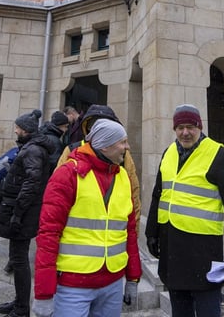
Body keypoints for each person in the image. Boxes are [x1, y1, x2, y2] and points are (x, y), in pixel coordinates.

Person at [145, 104, 224, 317]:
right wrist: (152, 232)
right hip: (172, 246)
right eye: (180, 128)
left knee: (207, 308)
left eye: (190, 127)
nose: (185, 132)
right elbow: (158, 195)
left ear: (199, 127)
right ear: (174, 129)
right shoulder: (168, 153)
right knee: (180, 308)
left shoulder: (218, 155)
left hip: (202, 248)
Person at [33, 119, 142, 317]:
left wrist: (133, 277)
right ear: (106, 145)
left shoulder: (123, 177)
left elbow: (130, 231)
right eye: (123, 142)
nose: (127, 147)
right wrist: (44, 293)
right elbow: (48, 234)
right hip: (73, 287)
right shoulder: (67, 175)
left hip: (113, 283)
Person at [0, 109, 55, 317]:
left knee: (19, 260)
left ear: (26, 131)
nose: (16, 131)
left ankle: (22, 308)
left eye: (18, 128)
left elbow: (32, 183)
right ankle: (20, 301)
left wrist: (17, 212)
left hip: (24, 211)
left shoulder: (33, 151)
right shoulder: (31, 148)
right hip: (23, 210)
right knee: (17, 258)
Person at [56, 105, 141, 223]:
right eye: (94, 125)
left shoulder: (123, 155)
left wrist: (134, 229)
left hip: (113, 232)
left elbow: (133, 193)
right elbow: (57, 195)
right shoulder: (72, 151)